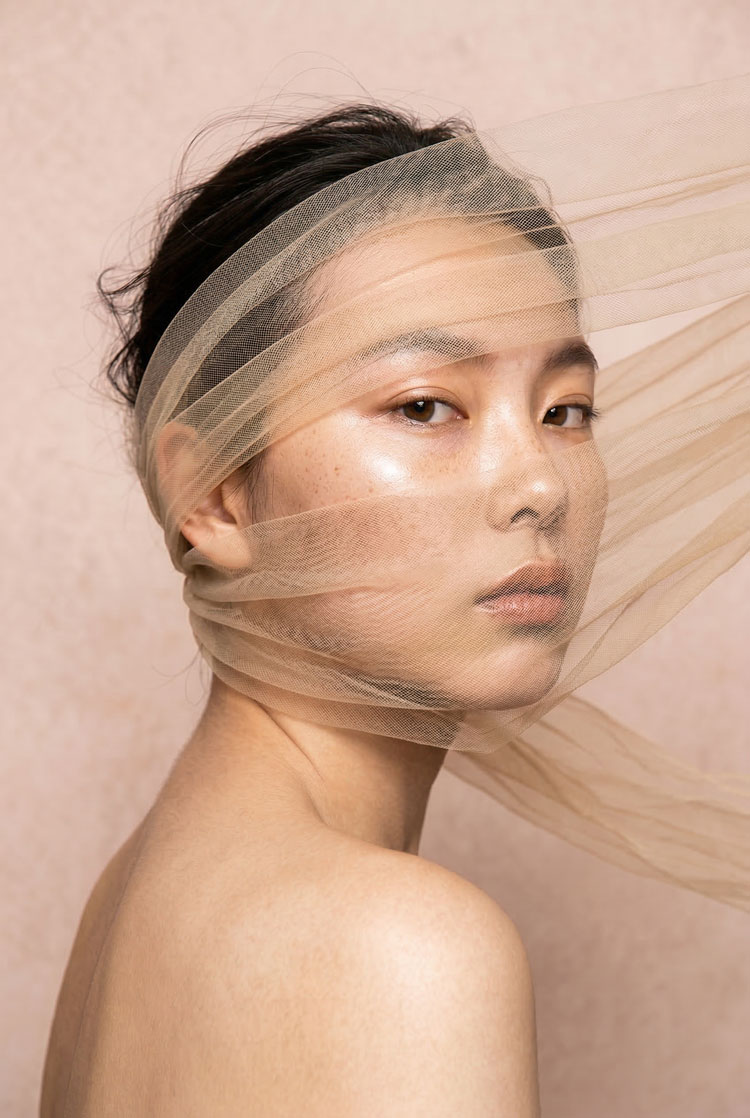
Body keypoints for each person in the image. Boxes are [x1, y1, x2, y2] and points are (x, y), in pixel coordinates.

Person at [41, 79, 750, 1115]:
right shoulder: (403, 950)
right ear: (215, 493)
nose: (540, 485)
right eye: (424, 406)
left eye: (565, 409)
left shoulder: (138, 894)